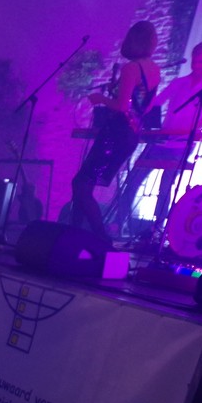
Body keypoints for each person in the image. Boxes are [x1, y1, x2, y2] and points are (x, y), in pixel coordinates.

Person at [69, 21, 160, 239]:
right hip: (131, 133)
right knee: (84, 186)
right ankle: (74, 236)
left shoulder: (131, 68)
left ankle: (100, 240)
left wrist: (99, 99)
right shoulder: (154, 70)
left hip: (116, 132)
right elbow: (144, 106)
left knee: (81, 185)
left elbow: (121, 106)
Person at [136, 40, 202, 222]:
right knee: (134, 178)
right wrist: (143, 105)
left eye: (201, 61)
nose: (196, 65)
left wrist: (189, 128)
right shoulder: (179, 82)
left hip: (182, 143)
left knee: (166, 186)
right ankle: (117, 222)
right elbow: (157, 101)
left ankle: (156, 227)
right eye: (194, 61)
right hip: (162, 138)